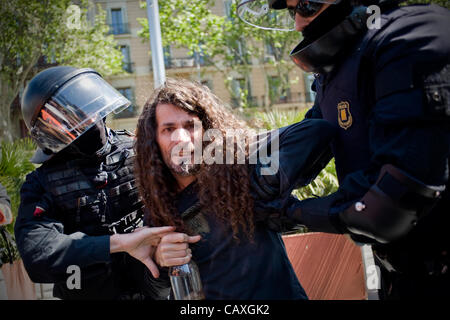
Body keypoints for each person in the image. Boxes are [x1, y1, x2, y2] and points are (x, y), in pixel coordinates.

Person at [238, 0, 450, 299]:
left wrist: (292, 212)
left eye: (308, 5)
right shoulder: (340, 68)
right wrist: (232, 174)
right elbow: (305, 141)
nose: (298, 23)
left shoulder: (411, 37)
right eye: (292, 10)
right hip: (398, 276)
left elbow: (386, 209)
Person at [134, 78, 337, 300]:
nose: (180, 138)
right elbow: (154, 293)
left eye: (190, 126)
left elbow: (316, 132)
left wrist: (243, 160)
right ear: (154, 140)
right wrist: (163, 265)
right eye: (168, 129)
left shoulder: (240, 176)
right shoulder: (159, 209)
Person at [14, 66, 194, 300]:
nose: (85, 121)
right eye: (69, 118)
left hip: (153, 286)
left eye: (86, 111)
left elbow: (191, 188)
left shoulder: (140, 151)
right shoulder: (41, 183)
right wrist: (118, 243)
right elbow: (37, 256)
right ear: (51, 130)